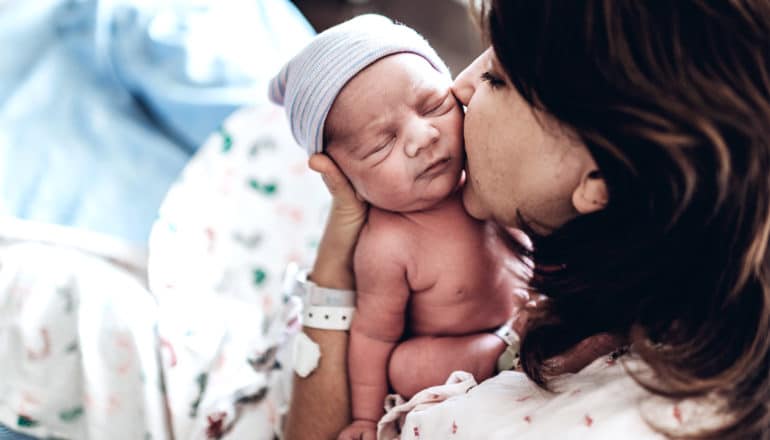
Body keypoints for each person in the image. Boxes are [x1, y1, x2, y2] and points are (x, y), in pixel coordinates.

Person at [286, 0, 770, 439]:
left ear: (595, 178)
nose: (460, 85)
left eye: (498, 78)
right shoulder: (651, 253)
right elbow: (374, 336)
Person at [269, 15, 526, 440]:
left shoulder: (487, 165)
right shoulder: (389, 243)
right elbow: (371, 337)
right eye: (381, 143)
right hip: (455, 348)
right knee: (407, 365)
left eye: (433, 106)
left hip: (517, 311)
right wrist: (366, 419)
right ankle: (504, 354)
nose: (422, 137)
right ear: (342, 176)